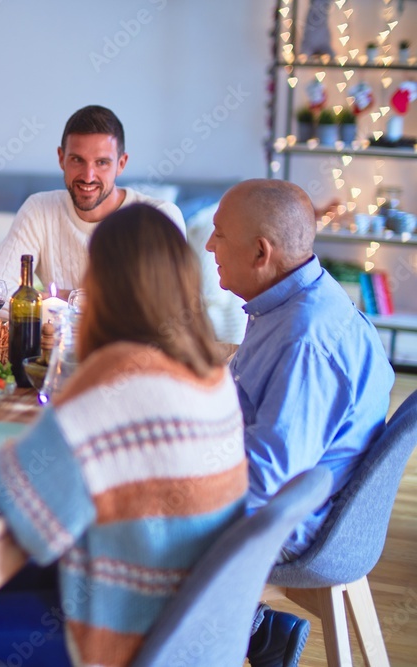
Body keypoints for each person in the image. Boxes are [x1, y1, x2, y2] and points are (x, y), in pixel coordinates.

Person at [0, 204, 247, 667]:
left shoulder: (116, 380)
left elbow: (28, 516)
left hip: (125, 636)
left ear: (104, 284)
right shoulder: (212, 373)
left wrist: (5, 447)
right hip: (189, 627)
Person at [205, 179, 395, 667]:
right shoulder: (295, 296)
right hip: (300, 490)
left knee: (115, 509)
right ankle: (255, 629)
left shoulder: (304, 340)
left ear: (261, 252)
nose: (209, 246)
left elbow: (268, 483)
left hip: (296, 521)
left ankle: (230, 631)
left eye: (218, 234)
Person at [0, 105, 185, 312]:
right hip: (57, 343)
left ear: (121, 163)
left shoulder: (161, 217)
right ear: (61, 158)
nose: (88, 176)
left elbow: (166, 310)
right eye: (77, 160)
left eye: (102, 163)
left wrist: (66, 296)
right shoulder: (39, 209)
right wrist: (102, 303)